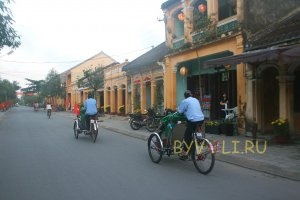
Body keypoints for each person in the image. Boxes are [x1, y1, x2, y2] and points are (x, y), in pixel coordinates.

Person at [177, 90, 204, 159]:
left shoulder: (185, 101)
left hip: (193, 121)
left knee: (187, 136)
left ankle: (184, 152)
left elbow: (180, 112)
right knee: (198, 134)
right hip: (201, 119)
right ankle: (200, 148)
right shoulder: (196, 100)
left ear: (185, 96)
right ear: (191, 95)